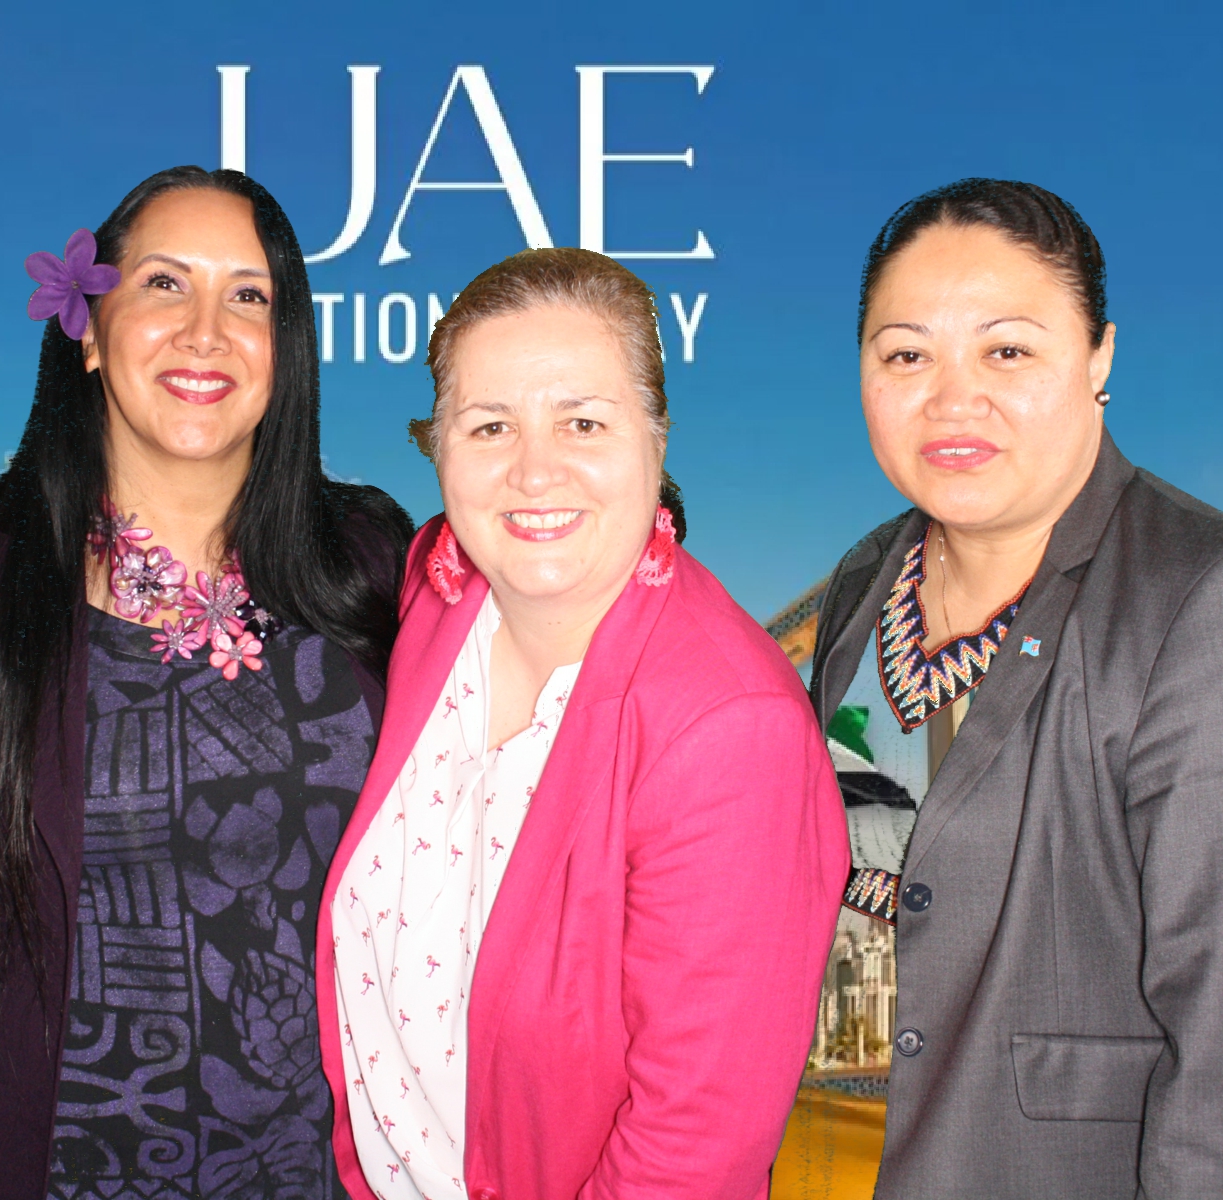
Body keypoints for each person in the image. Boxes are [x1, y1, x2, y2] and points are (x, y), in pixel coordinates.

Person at [808, 177, 1223, 1198]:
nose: (952, 399)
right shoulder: (864, 584)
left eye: (1007, 351)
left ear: (1099, 358)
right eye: (906, 355)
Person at [0, 166, 412, 1200]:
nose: (206, 332)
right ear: (89, 329)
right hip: (62, 1170)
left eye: (248, 296)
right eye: (165, 284)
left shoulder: (371, 560)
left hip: (339, 1174)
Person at [318, 247, 850, 1200]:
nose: (534, 470)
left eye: (584, 421)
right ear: (438, 448)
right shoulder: (438, 592)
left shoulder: (734, 731)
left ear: (657, 438)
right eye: (490, 426)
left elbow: (690, 1156)